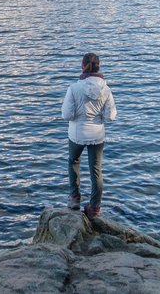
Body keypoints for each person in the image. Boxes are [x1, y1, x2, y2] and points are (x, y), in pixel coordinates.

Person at [61, 52, 117, 217]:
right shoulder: (106, 90)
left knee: (73, 162)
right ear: (99, 67)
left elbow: (66, 115)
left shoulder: (74, 88)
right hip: (97, 135)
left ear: (82, 66)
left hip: (76, 135)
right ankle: (95, 207)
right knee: (96, 170)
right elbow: (110, 116)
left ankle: (74, 199)